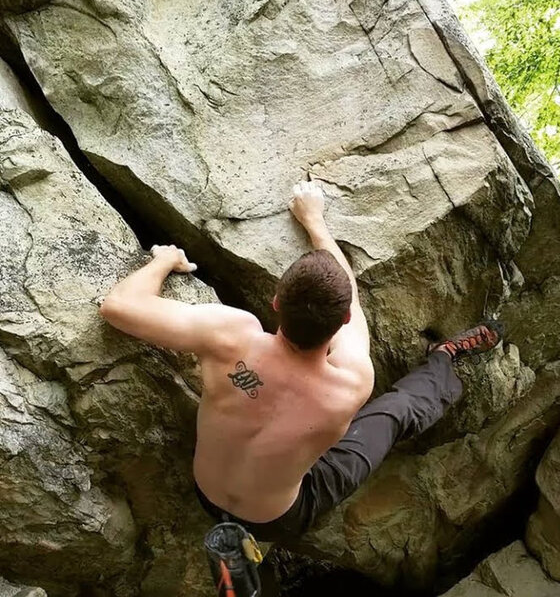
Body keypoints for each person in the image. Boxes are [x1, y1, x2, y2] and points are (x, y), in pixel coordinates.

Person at [100, 180, 502, 542]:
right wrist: (315, 222)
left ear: (275, 303)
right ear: (343, 322)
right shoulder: (353, 381)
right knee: (395, 412)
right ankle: (444, 360)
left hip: (207, 493)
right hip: (279, 519)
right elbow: (352, 298)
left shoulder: (230, 338)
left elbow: (118, 306)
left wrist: (163, 261)